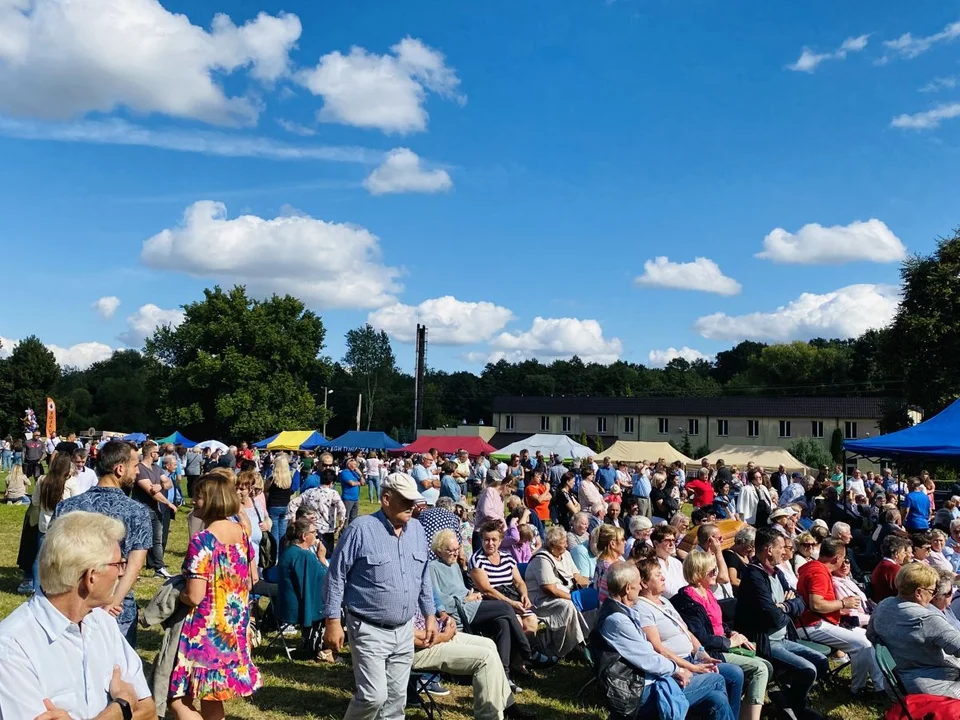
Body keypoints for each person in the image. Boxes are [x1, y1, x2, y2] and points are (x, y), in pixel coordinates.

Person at [0, 510, 157, 719]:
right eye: (118, 563)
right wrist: (121, 707)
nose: (122, 572)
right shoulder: (12, 647)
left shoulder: (102, 622)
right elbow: (134, 706)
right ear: (91, 577)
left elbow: (149, 711)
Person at [323, 472, 437, 720]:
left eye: (413, 501)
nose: (412, 506)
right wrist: (332, 621)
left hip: (404, 629)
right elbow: (336, 575)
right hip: (368, 627)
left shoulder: (417, 529)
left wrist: (430, 614)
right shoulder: (361, 530)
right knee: (373, 696)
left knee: (397, 700)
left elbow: (423, 575)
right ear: (386, 499)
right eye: (406, 501)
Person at [168, 474, 261, 719]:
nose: (193, 500)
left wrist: (176, 595)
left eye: (197, 496)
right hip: (233, 627)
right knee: (212, 696)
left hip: (205, 631)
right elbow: (252, 577)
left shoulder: (203, 540)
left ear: (209, 500)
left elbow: (195, 596)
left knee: (177, 698)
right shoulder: (242, 533)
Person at [596, 561, 737, 720]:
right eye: (637, 585)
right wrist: (679, 670)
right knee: (716, 680)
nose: (641, 588)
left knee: (717, 700)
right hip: (639, 692)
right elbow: (649, 658)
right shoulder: (617, 620)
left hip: (647, 680)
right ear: (628, 588)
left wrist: (691, 661)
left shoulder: (619, 611)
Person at [53, 440, 152, 648]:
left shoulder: (67, 507)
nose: (137, 473)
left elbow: (53, 559)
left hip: (71, 601)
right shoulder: (138, 512)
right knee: (116, 672)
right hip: (116, 606)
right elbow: (135, 565)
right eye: (135, 466)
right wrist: (114, 602)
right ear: (120, 469)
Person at [631, 557, 745, 720]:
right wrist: (692, 668)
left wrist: (702, 654)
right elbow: (658, 649)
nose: (663, 578)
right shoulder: (642, 608)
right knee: (717, 689)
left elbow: (687, 632)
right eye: (657, 575)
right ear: (643, 583)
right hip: (676, 668)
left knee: (735, 674)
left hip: (692, 659)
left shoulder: (664, 602)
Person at [734, 527, 829, 719]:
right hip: (765, 641)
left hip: (784, 637)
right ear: (769, 549)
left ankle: (786, 696)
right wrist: (787, 608)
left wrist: (785, 606)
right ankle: (797, 708)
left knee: (821, 661)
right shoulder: (754, 577)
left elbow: (800, 600)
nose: (784, 552)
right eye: (780, 548)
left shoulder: (777, 572)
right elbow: (773, 617)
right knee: (808, 669)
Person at [430, 530, 536, 692]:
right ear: (439, 550)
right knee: (505, 607)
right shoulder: (433, 567)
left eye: (456, 549)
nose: (454, 553)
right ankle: (528, 652)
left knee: (503, 622)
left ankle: (504, 675)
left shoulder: (455, 566)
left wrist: (471, 594)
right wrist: (466, 599)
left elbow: (462, 589)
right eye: (450, 550)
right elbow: (439, 599)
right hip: (458, 611)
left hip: (469, 605)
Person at [672, 551, 773, 720]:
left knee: (766, 664)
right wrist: (729, 642)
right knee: (760, 669)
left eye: (716, 569)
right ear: (698, 574)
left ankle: (743, 710)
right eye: (711, 571)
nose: (716, 574)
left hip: (723, 644)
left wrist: (732, 632)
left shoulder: (707, 593)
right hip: (711, 652)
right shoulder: (687, 601)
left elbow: (717, 624)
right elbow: (701, 637)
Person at [410, 604, 534, 720]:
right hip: (416, 648)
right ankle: (489, 717)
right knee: (485, 658)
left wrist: (444, 616)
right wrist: (442, 636)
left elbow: (430, 598)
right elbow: (407, 635)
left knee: (489, 644)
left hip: (436, 632)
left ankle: (508, 707)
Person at [795, 538, 884, 696]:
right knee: (862, 645)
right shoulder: (819, 573)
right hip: (811, 625)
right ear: (836, 558)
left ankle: (881, 686)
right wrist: (844, 603)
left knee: (869, 636)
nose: (844, 562)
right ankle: (858, 689)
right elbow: (816, 604)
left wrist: (838, 609)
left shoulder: (813, 567)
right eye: (843, 558)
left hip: (816, 622)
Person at [867, 562, 960, 699]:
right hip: (929, 686)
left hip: (896, 683)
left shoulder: (883, 606)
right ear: (918, 593)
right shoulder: (927, 619)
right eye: (932, 591)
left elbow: (870, 635)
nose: (933, 597)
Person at [524, 525, 591, 659]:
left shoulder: (565, 554)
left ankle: (588, 638)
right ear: (552, 546)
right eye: (563, 543)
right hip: (542, 600)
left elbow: (576, 575)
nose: (566, 545)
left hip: (565, 593)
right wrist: (573, 597)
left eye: (566, 542)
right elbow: (549, 589)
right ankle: (567, 648)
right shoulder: (542, 559)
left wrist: (590, 586)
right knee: (569, 606)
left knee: (591, 600)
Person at [470, 521, 540, 634]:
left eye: (494, 540)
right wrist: (511, 603)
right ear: (482, 540)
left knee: (531, 622)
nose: (490, 543)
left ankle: (526, 649)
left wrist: (524, 595)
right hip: (494, 601)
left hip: (512, 596)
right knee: (517, 623)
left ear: (500, 541)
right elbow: (487, 590)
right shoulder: (477, 560)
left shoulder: (507, 558)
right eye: (486, 540)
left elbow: (519, 582)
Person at [275, 517, 329, 661]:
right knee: (336, 606)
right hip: (299, 609)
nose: (316, 536)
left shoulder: (289, 551)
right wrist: (322, 558)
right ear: (305, 536)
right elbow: (325, 577)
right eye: (314, 532)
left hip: (285, 606)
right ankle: (323, 651)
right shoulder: (304, 556)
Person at [30, 452, 82, 592]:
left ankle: (37, 588)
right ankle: (60, 587)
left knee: (40, 558)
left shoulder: (42, 480)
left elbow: (35, 501)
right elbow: (77, 503)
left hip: (44, 525)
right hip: (64, 526)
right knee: (64, 559)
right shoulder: (70, 482)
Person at [132, 440, 177, 579]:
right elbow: (150, 491)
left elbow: (168, 482)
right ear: (152, 453)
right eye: (157, 452)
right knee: (139, 541)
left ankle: (159, 568)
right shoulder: (139, 469)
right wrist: (168, 503)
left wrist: (161, 486)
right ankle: (134, 570)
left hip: (155, 509)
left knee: (157, 540)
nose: (159, 455)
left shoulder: (156, 468)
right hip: (142, 510)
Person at [286, 468, 346, 557]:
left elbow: (292, 503)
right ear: (332, 482)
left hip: (310, 529)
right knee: (326, 556)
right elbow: (342, 509)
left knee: (311, 555)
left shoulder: (310, 492)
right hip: (327, 530)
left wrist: (293, 519)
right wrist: (341, 524)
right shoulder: (333, 493)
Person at [870, 534, 913, 602]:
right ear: (896, 554)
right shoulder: (893, 568)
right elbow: (905, 591)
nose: (905, 555)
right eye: (903, 552)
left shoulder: (882, 565)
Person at [593, 524, 626, 603]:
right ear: (613, 544)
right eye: (622, 539)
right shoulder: (608, 568)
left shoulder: (616, 560)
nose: (625, 542)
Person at [651, 524, 686, 599]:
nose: (671, 544)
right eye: (667, 540)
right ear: (656, 543)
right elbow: (666, 591)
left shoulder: (677, 563)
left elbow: (685, 584)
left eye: (673, 540)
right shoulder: (651, 564)